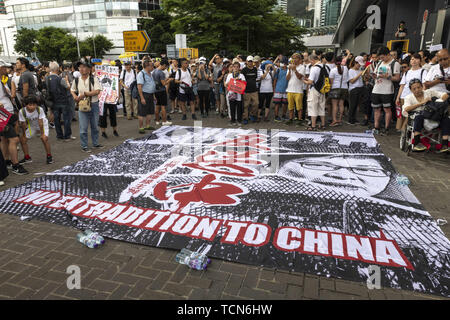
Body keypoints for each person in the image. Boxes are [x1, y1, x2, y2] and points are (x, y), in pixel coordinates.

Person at [402, 78, 449, 152]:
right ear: (411, 90)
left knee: (446, 118)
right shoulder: (409, 97)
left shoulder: (429, 92)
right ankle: (417, 143)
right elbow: (407, 109)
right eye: (414, 89)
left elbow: (445, 95)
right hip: (419, 118)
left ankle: (445, 144)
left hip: (431, 116)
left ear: (422, 87)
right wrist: (422, 103)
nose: (417, 90)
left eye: (418, 87)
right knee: (418, 117)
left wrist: (439, 101)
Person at [0, 60, 28, 175]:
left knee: (4, 139)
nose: (7, 69)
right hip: (3, 114)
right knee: (14, 139)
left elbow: (9, 95)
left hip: (8, 113)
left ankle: (7, 161)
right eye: (4, 67)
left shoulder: (3, 80)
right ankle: (15, 164)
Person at [71, 60, 103, 153]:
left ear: (89, 69)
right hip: (82, 105)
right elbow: (72, 90)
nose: (82, 69)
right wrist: (75, 97)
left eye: (84, 67)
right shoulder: (76, 80)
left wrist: (85, 94)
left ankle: (95, 143)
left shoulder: (94, 79)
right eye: (80, 67)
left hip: (94, 104)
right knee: (83, 127)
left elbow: (97, 91)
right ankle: (84, 145)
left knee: (95, 126)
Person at [370, 46, 401, 135]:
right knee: (376, 109)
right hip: (376, 89)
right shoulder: (380, 63)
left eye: (382, 57)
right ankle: (376, 127)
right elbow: (376, 74)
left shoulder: (395, 63)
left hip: (387, 90)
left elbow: (397, 78)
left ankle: (386, 128)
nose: (381, 59)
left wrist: (387, 77)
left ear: (388, 55)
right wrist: (374, 76)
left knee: (387, 109)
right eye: (380, 57)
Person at [18, 95, 53, 164]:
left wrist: (42, 134)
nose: (32, 107)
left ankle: (49, 156)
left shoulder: (39, 109)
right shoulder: (22, 111)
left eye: (34, 105)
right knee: (23, 140)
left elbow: (40, 123)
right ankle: (27, 157)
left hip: (43, 124)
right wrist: (24, 134)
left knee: (44, 139)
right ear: (26, 105)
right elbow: (23, 124)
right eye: (30, 105)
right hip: (32, 126)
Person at [396, 54, 427, 131]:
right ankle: (400, 130)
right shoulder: (407, 72)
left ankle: (404, 130)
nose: (414, 61)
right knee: (402, 113)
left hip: (414, 97)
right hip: (404, 96)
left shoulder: (423, 71)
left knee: (410, 114)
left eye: (416, 59)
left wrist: (422, 96)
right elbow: (402, 86)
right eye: (412, 59)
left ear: (420, 61)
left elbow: (424, 85)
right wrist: (398, 97)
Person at [46, 61, 75, 141]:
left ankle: (59, 135)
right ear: (58, 68)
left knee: (57, 119)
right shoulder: (60, 79)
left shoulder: (47, 78)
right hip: (63, 100)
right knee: (66, 118)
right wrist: (67, 81)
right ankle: (67, 136)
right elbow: (68, 87)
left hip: (53, 101)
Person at [303, 54, 327, 131]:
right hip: (322, 90)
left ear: (312, 60)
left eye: (310, 61)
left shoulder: (314, 68)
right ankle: (323, 125)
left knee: (313, 107)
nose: (310, 63)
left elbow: (310, 82)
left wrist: (303, 80)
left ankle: (313, 126)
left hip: (314, 90)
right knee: (321, 107)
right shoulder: (324, 66)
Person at [347, 56, 370, 125]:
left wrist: (365, 76)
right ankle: (350, 119)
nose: (359, 66)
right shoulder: (351, 70)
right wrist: (359, 74)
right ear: (355, 63)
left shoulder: (359, 70)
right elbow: (351, 81)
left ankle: (354, 118)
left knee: (357, 105)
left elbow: (364, 80)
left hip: (360, 88)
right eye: (358, 64)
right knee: (352, 105)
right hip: (354, 89)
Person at [137, 60, 157, 134]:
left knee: (150, 111)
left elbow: (152, 85)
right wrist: (142, 98)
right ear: (147, 66)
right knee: (142, 112)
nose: (153, 67)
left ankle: (147, 125)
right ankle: (141, 127)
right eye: (151, 65)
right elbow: (139, 87)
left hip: (150, 94)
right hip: (144, 94)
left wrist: (154, 95)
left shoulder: (150, 74)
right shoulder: (141, 74)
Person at [285, 53, 305, 126]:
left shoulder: (302, 67)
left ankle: (299, 120)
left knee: (299, 107)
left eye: (296, 58)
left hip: (298, 90)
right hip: (290, 89)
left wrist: (295, 70)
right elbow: (287, 78)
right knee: (290, 106)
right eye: (293, 58)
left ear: (299, 60)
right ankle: (291, 119)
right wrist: (290, 70)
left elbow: (300, 77)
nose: (294, 59)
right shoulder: (290, 67)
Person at [328, 56, 349, 126]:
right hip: (344, 88)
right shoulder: (346, 69)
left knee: (335, 105)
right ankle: (340, 119)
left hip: (335, 88)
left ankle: (334, 120)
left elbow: (331, 81)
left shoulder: (333, 70)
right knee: (341, 104)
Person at [152, 59, 172, 126]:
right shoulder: (161, 72)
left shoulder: (154, 71)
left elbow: (159, 81)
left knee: (157, 106)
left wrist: (166, 79)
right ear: (164, 65)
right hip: (162, 90)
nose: (165, 68)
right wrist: (169, 80)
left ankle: (157, 121)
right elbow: (163, 83)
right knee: (163, 107)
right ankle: (164, 121)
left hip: (156, 90)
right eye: (166, 67)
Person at [241, 56, 259, 124]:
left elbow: (255, 78)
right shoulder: (244, 70)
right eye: (249, 61)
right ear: (246, 62)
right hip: (246, 90)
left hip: (254, 90)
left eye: (251, 61)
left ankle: (252, 114)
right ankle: (245, 118)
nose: (250, 62)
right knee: (246, 105)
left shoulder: (255, 69)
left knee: (256, 104)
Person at [273, 56, 289, 122]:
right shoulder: (278, 70)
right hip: (278, 89)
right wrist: (274, 89)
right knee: (277, 103)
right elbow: (275, 80)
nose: (283, 64)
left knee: (285, 104)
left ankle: (284, 115)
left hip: (286, 90)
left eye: (284, 63)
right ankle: (276, 116)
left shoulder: (289, 70)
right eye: (282, 62)